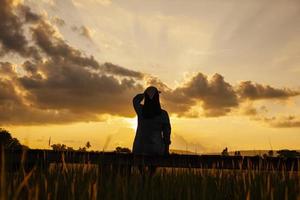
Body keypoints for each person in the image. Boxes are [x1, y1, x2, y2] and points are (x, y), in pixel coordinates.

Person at [132, 86, 171, 156]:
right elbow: (167, 134)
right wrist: (166, 150)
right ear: (157, 98)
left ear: (146, 98)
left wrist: (144, 94)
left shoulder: (141, 110)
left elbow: (135, 100)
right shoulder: (163, 114)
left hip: (139, 149)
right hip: (156, 149)